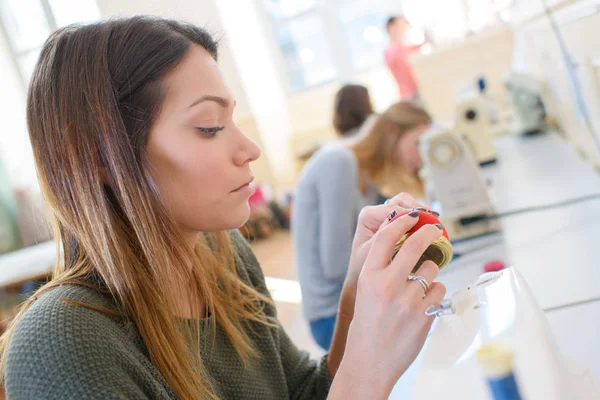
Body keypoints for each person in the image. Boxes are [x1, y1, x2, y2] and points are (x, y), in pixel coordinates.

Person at [0, 17, 446, 400]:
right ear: (99, 156)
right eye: (209, 127)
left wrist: (355, 296)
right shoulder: (62, 342)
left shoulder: (224, 256)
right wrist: (367, 376)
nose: (249, 148)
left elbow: (303, 393)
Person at [293, 102, 432, 350]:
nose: (421, 158)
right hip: (332, 318)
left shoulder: (367, 177)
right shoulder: (339, 162)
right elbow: (336, 267)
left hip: (355, 304)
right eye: (417, 144)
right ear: (391, 131)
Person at [384, 15, 427, 103]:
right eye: (399, 26)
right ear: (390, 27)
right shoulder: (391, 51)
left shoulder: (403, 47)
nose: (402, 30)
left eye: (404, 27)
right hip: (409, 95)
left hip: (417, 89)